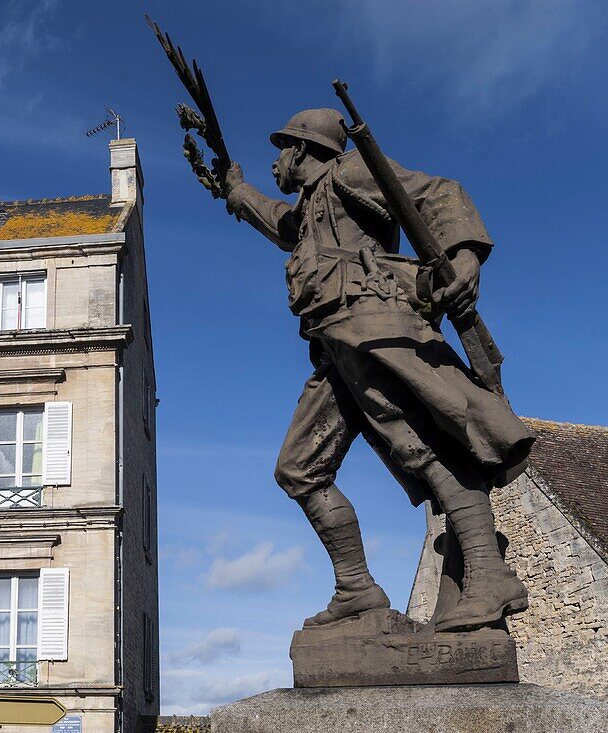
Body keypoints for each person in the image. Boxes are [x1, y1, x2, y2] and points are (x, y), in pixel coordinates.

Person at [196, 109, 534, 631]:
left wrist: (464, 259)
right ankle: (357, 587)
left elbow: (437, 192)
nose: (276, 161)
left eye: (283, 149)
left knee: (421, 446)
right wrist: (235, 192)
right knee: (299, 468)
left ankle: (488, 575)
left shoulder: (350, 172)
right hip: (336, 345)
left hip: (373, 329)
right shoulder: (311, 206)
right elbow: (283, 225)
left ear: (305, 150)